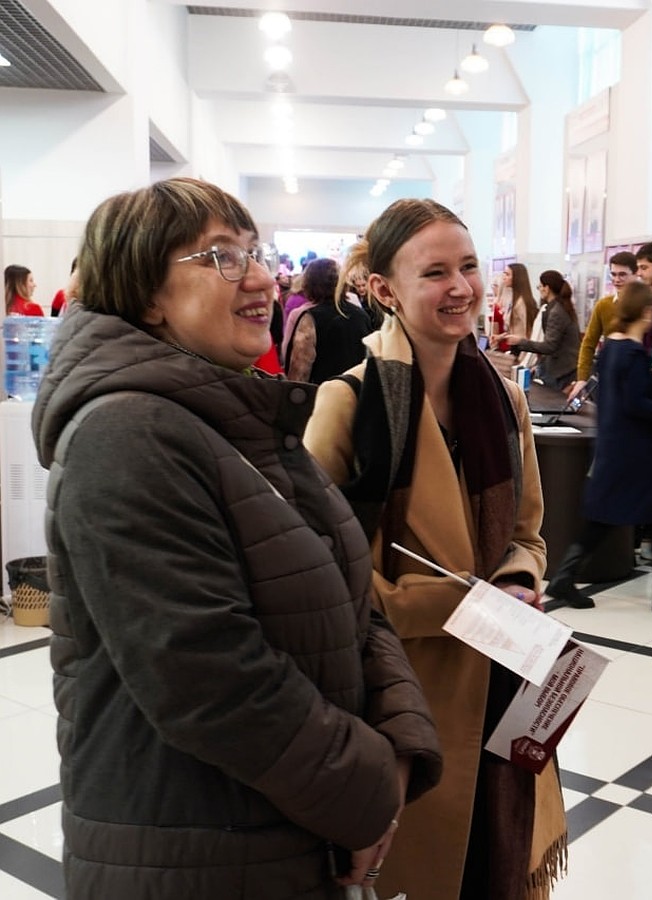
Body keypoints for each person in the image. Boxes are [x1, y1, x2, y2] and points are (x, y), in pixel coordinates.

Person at [30, 176, 443, 898]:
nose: (260, 277)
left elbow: (352, 602)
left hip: (282, 828)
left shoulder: (239, 419)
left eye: (253, 252)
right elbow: (210, 679)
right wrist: (369, 790)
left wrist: (399, 752)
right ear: (146, 294)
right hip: (194, 854)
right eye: (220, 257)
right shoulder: (126, 435)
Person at [303, 198, 567, 900]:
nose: (461, 287)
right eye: (436, 272)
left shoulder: (505, 403)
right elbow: (318, 572)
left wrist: (515, 581)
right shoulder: (351, 404)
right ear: (384, 290)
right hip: (401, 697)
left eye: (470, 266)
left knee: (495, 858)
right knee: (422, 869)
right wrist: (464, 605)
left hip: (503, 679)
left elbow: (527, 532)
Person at [544, 282, 652, 614]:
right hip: (638, 452)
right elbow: (637, 403)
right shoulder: (631, 353)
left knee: (606, 518)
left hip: (617, 447)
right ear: (645, 312)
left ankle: (566, 576)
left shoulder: (611, 349)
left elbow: (622, 393)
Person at [285, 256, 373, 384]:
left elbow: (299, 371)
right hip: (358, 392)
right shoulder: (361, 315)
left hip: (323, 395)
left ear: (309, 284)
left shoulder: (310, 318)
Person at [502, 269, 581, 391]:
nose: (539, 290)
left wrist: (520, 342)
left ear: (547, 288)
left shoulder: (556, 312)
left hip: (560, 370)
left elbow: (550, 346)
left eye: (539, 286)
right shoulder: (560, 308)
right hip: (561, 367)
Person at [573, 251, 637, 386]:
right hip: (609, 376)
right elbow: (589, 343)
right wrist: (582, 378)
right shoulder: (603, 305)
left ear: (635, 274)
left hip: (636, 377)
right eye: (613, 274)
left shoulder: (646, 306)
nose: (617, 279)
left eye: (622, 274)